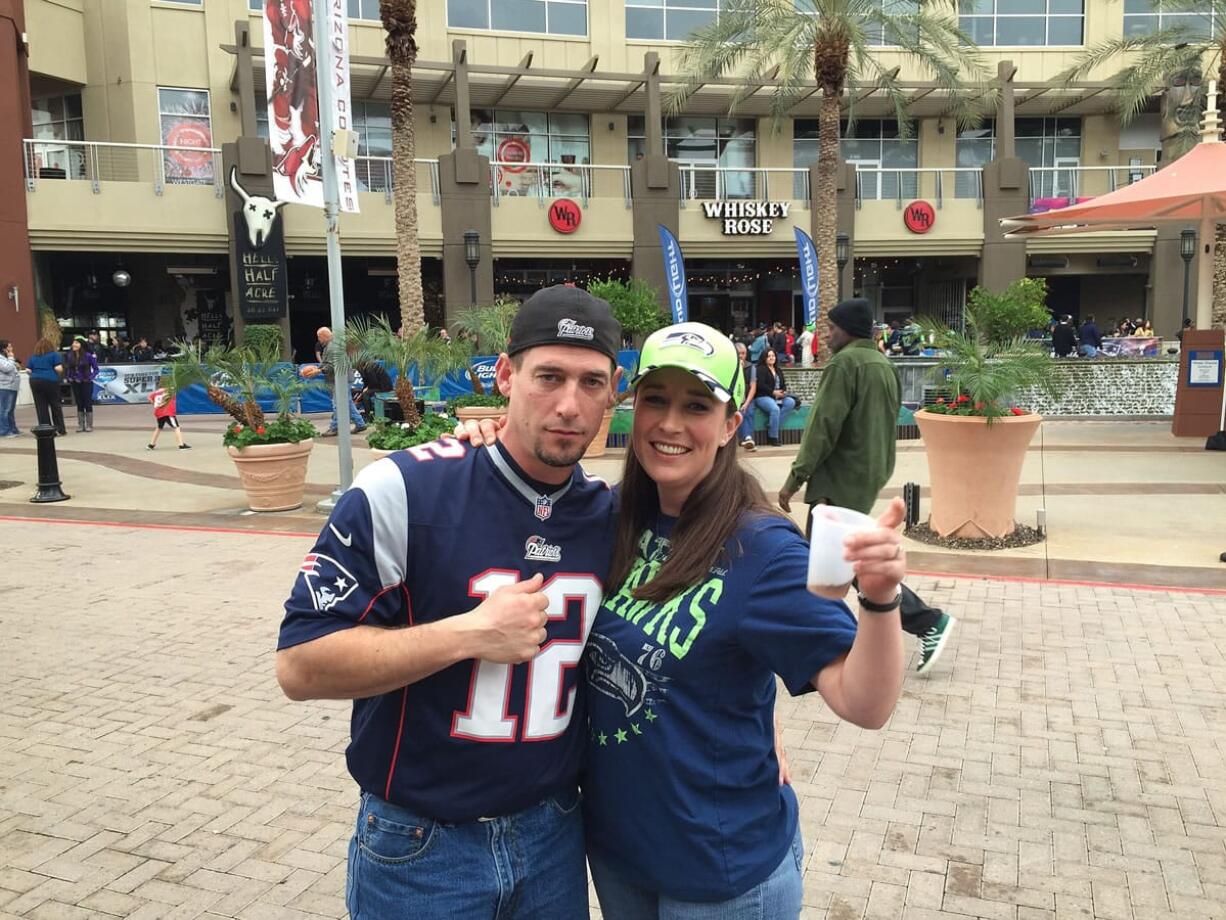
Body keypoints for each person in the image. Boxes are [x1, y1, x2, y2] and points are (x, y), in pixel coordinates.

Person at [457, 322, 909, 918]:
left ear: (729, 424)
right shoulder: (606, 518)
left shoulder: (763, 549)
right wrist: (485, 435)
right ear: (632, 407)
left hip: (722, 876)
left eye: (697, 405)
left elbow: (864, 704)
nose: (670, 424)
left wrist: (880, 599)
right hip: (617, 859)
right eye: (656, 401)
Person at [275, 286, 624, 919]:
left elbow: (700, 614)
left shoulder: (611, 516)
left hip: (554, 836)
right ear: (506, 374)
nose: (570, 405)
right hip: (422, 847)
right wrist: (465, 635)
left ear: (614, 390)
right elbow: (300, 666)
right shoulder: (403, 490)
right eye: (548, 376)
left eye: (591, 382)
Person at [778, 298, 956, 674]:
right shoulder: (882, 365)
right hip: (868, 475)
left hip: (837, 479)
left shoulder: (845, 364)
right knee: (830, 563)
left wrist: (795, 478)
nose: (826, 336)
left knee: (840, 565)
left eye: (831, 328)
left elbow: (822, 427)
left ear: (847, 330)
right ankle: (825, 637)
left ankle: (928, 622)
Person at [310, 326, 367, 436]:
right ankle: (360, 423)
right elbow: (328, 362)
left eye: (319, 337)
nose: (318, 339)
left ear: (324, 336)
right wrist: (317, 368)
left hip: (341, 379)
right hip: (342, 378)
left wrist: (319, 371)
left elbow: (331, 366)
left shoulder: (332, 347)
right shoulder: (332, 345)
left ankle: (334, 427)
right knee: (347, 402)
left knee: (338, 404)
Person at [754, 348, 797, 447]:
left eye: (773, 356)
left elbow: (783, 384)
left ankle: (771, 426)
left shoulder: (778, 369)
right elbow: (760, 385)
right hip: (763, 396)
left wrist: (783, 391)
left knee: (790, 402)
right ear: (764, 358)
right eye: (769, 356)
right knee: (775, 409)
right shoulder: (760, 369)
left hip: (778, 396)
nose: (771, 358)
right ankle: (773, 437)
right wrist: (773, 392)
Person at [26, 338, 66, 436]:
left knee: (41, 406)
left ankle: (45, 429)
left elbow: (28, 370)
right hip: (50, 380)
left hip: (35, 381)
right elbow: (58, 368)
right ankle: (59, 429)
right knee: (55, 404)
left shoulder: (33, 357)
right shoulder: (54, 355)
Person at [64, 337, 99, 433]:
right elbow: (67, 368)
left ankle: (89, 424)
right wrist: (69, 377)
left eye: (76, 343)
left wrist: (90, 377)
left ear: (81, 345)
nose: (74, 344)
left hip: (86, 382)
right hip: (75, 382)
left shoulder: (88, 356)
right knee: (79, 403)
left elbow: (96, 369)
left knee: (87, 402)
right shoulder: (70, 355)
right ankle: (80, 424)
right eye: (73, 342)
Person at [147, 380, 190, 450]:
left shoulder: (154, 393)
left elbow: (149, 398)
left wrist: (155, 403)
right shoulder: (170, 391)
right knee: (176, 427)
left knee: (159, 428)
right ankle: (181, 445)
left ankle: (151, 444)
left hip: (159, 413)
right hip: (168, 413)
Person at [735, 341, 757, 451]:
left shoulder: (751, 367)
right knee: (739, 413)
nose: (741, 356)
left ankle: (747, 438)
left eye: (743, 353)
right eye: (739, 353)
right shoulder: (730, 367)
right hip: (734, 399)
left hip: (747, 398)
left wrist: (747, 402)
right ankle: (746, 439)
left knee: (748, 411)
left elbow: (753, 386)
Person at [0, 340, 24, 437]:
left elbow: (12, 369)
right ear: (4, 349)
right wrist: (11, 358)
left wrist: (16, 365)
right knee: (5, 409)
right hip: (5, 387)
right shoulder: (2, 359)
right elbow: (7, 369)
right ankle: (4, 431)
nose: (11, 349)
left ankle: (13, 429)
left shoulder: (7, 359)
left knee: (10, 409)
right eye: (9, 347)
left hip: (12, 386)